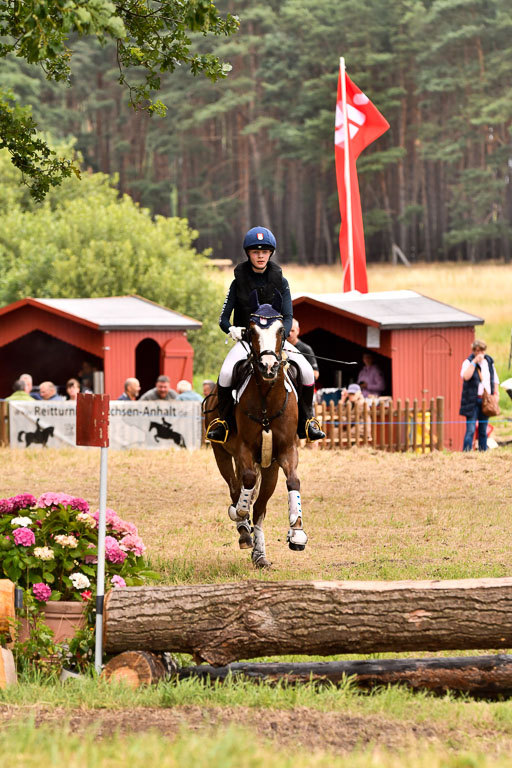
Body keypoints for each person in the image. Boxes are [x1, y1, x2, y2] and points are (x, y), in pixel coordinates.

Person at [206, 226, 325, 444]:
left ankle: (308, 421)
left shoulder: (281, 281)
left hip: (275, 341)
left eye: (264, 251)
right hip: (248, 341)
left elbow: (288, 315)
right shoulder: (237, 282)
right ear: (248, 253)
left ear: (270, 253)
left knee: (307, 371)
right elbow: (223, 318)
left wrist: (282, 333)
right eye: (255, 251)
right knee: (225, 373)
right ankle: (222, 423)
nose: (260, 256)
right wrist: (231, 329)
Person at [460, 339, 499, 451]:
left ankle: (483, 452)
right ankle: (466, 452)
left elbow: (495, 379)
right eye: (475, 350)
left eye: (480, 350)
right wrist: (474, 362)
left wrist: (496, 393)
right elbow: (465, 376)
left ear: (484, 351)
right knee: (471, 429)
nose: (478, 353)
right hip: (472, 400)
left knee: (483, 429)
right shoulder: (468, 362)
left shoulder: (489, 363)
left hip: (485, 400)